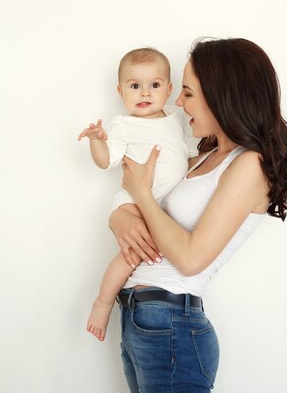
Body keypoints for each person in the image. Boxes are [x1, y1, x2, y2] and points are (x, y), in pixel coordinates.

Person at [110, 37, 287, 393]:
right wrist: (119, 216)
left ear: (220, 96)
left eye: (187, 93)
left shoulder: (249, 164)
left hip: (171, 324)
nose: (178, 103)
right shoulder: (202, 158)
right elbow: (144, 200)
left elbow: (190, 257)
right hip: (141, 317)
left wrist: (139, 196)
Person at [78, 47, 198, 341]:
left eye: (154, 85)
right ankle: (103, 303)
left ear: (169, 90)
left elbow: (189, 153)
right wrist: (97, 142)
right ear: (120, 91)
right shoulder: (123, 125)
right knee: (132, 255)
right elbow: (107, 160)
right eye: (135, 86)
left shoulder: (177, 120)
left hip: (160, 204)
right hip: (133, 203)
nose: (145, 93)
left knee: (148, 250)